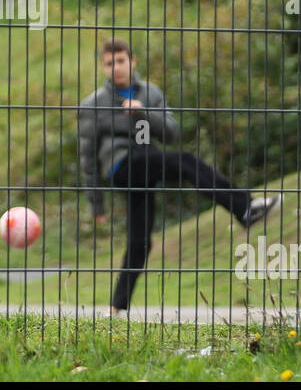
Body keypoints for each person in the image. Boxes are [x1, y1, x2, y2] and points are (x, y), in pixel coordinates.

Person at [77, 38, 279, 313]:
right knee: (185, 161)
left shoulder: (151, 93)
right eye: (109, 64)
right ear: (103, 68)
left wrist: (142, 113)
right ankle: (244, 208)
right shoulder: (93, 104)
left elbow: (171, 133)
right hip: (121, 166)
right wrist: (96, 204)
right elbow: (88, 157)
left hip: (148, 164)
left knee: (141, 241)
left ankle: (115, 308)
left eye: (121, 61)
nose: (116, 68)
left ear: (132, 61)